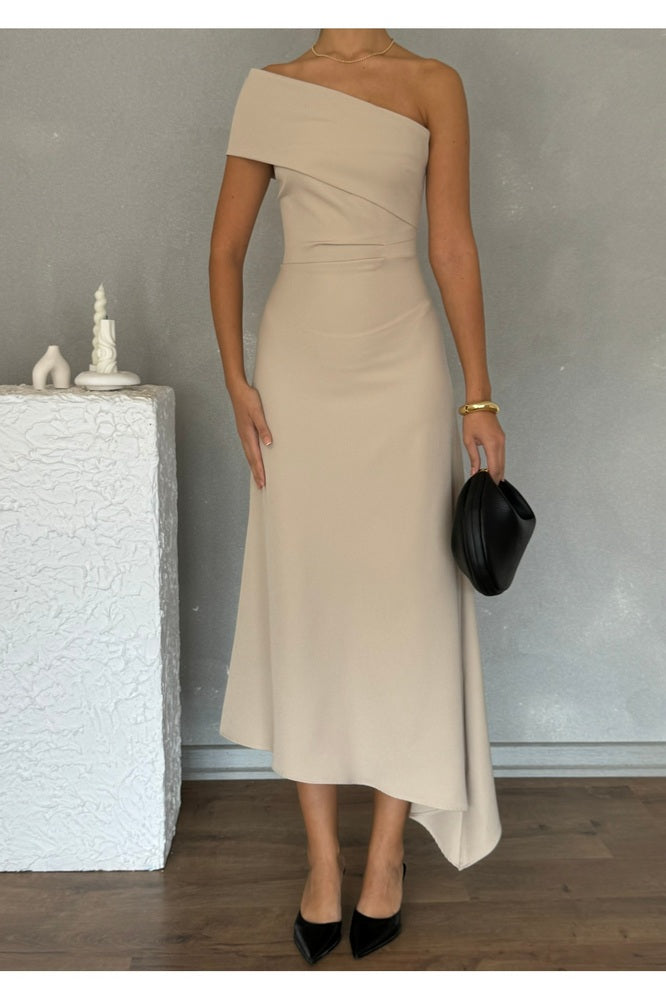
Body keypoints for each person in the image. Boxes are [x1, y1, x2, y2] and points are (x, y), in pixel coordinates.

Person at [209, 29, 506, 965]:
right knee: (310, 602)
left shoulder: (434, 82)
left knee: (404, 606)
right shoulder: (270, 87)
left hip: (403, 366)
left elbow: (450, 243)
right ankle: (321, 862)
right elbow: (225, 251)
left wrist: (479, 394)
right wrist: (236, 380)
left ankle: (384, 857)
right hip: (297, 369)